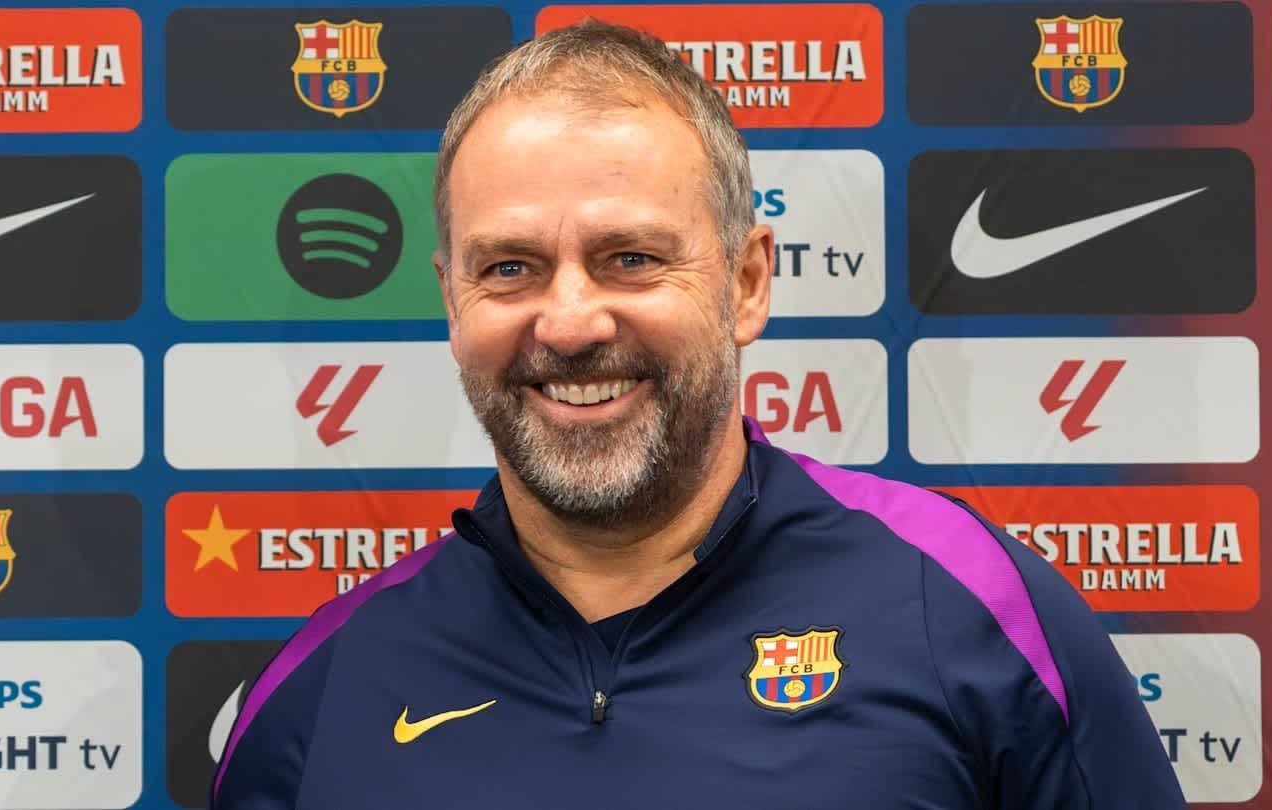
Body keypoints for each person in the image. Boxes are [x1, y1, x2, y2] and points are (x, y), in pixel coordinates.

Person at [211, 20, 1187, 809]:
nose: (572, 321)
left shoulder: (973, 614)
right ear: (451, 301)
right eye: (509, 268)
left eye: (630, 257)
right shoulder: (321, 693)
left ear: (749, 281)